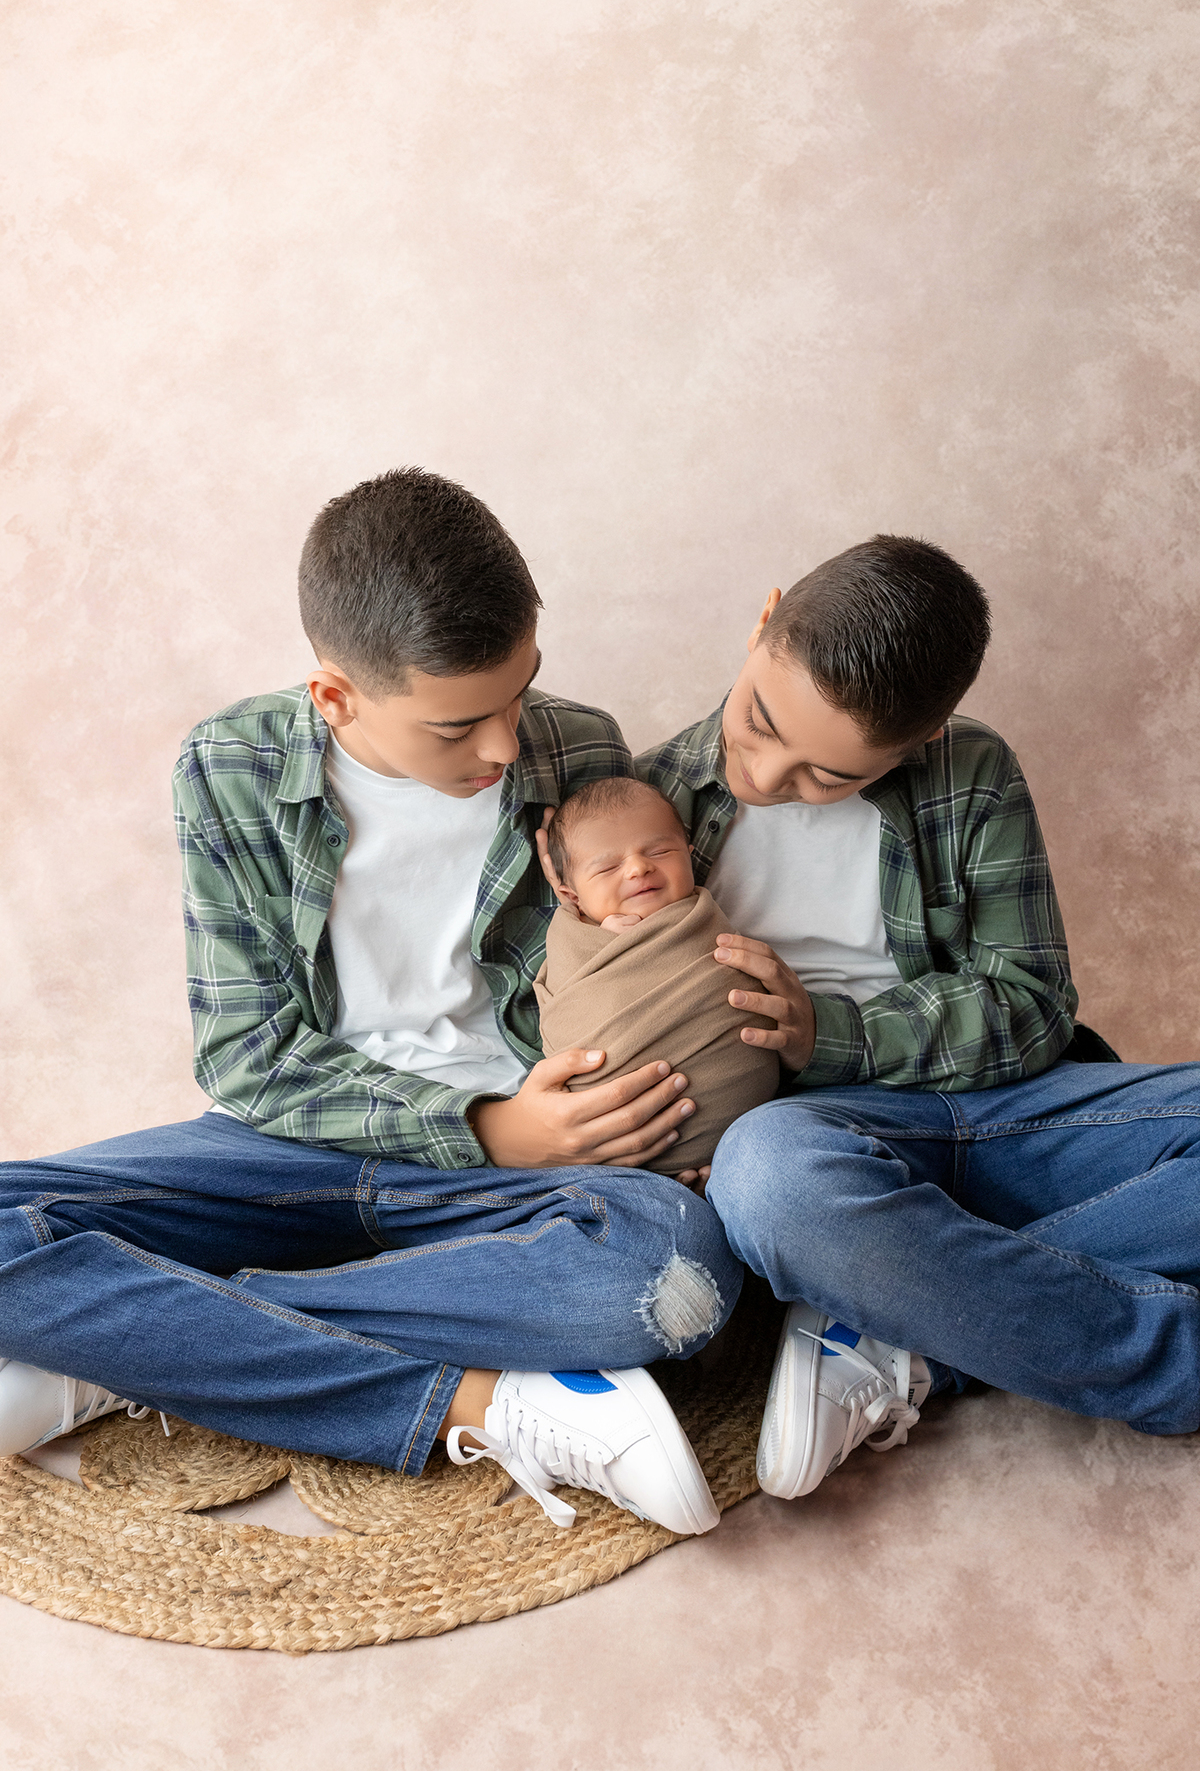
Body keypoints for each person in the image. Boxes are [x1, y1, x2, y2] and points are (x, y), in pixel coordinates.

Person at [0, 469, 743, 1537]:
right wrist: (483, 1129)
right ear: (335, 697)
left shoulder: (579, 749)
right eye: (457, 726)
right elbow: (248, 1054)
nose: (504, 745)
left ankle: (137, 1346)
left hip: (520, 1182)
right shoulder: (231, 769)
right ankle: (483, 1400)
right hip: (297, 1144)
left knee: (677, 1273)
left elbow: (626, 981)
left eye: (520, 692)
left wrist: (656, 1114)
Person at [636, 534, 1200, 1503]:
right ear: (764, 618)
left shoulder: (971, 772)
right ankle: (1163, 1361)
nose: (769, 777)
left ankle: (914, 1331)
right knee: (769, 1180)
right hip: (813, 1143)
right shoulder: (643, 811)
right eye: (760, 721)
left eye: (830, 776)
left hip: (1008, 1113)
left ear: (922, 740)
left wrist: (833, 1033)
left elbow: (1030, 1007)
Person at [534, 776, 778, 1173]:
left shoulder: (700, 919)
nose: (637, 868)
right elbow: (566, 1016)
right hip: (617, 1145)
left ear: (689, 855)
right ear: (572, 896)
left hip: (749, 1129)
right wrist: (604, 943)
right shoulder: (573, 938)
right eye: (608, 866)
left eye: (660, 851)